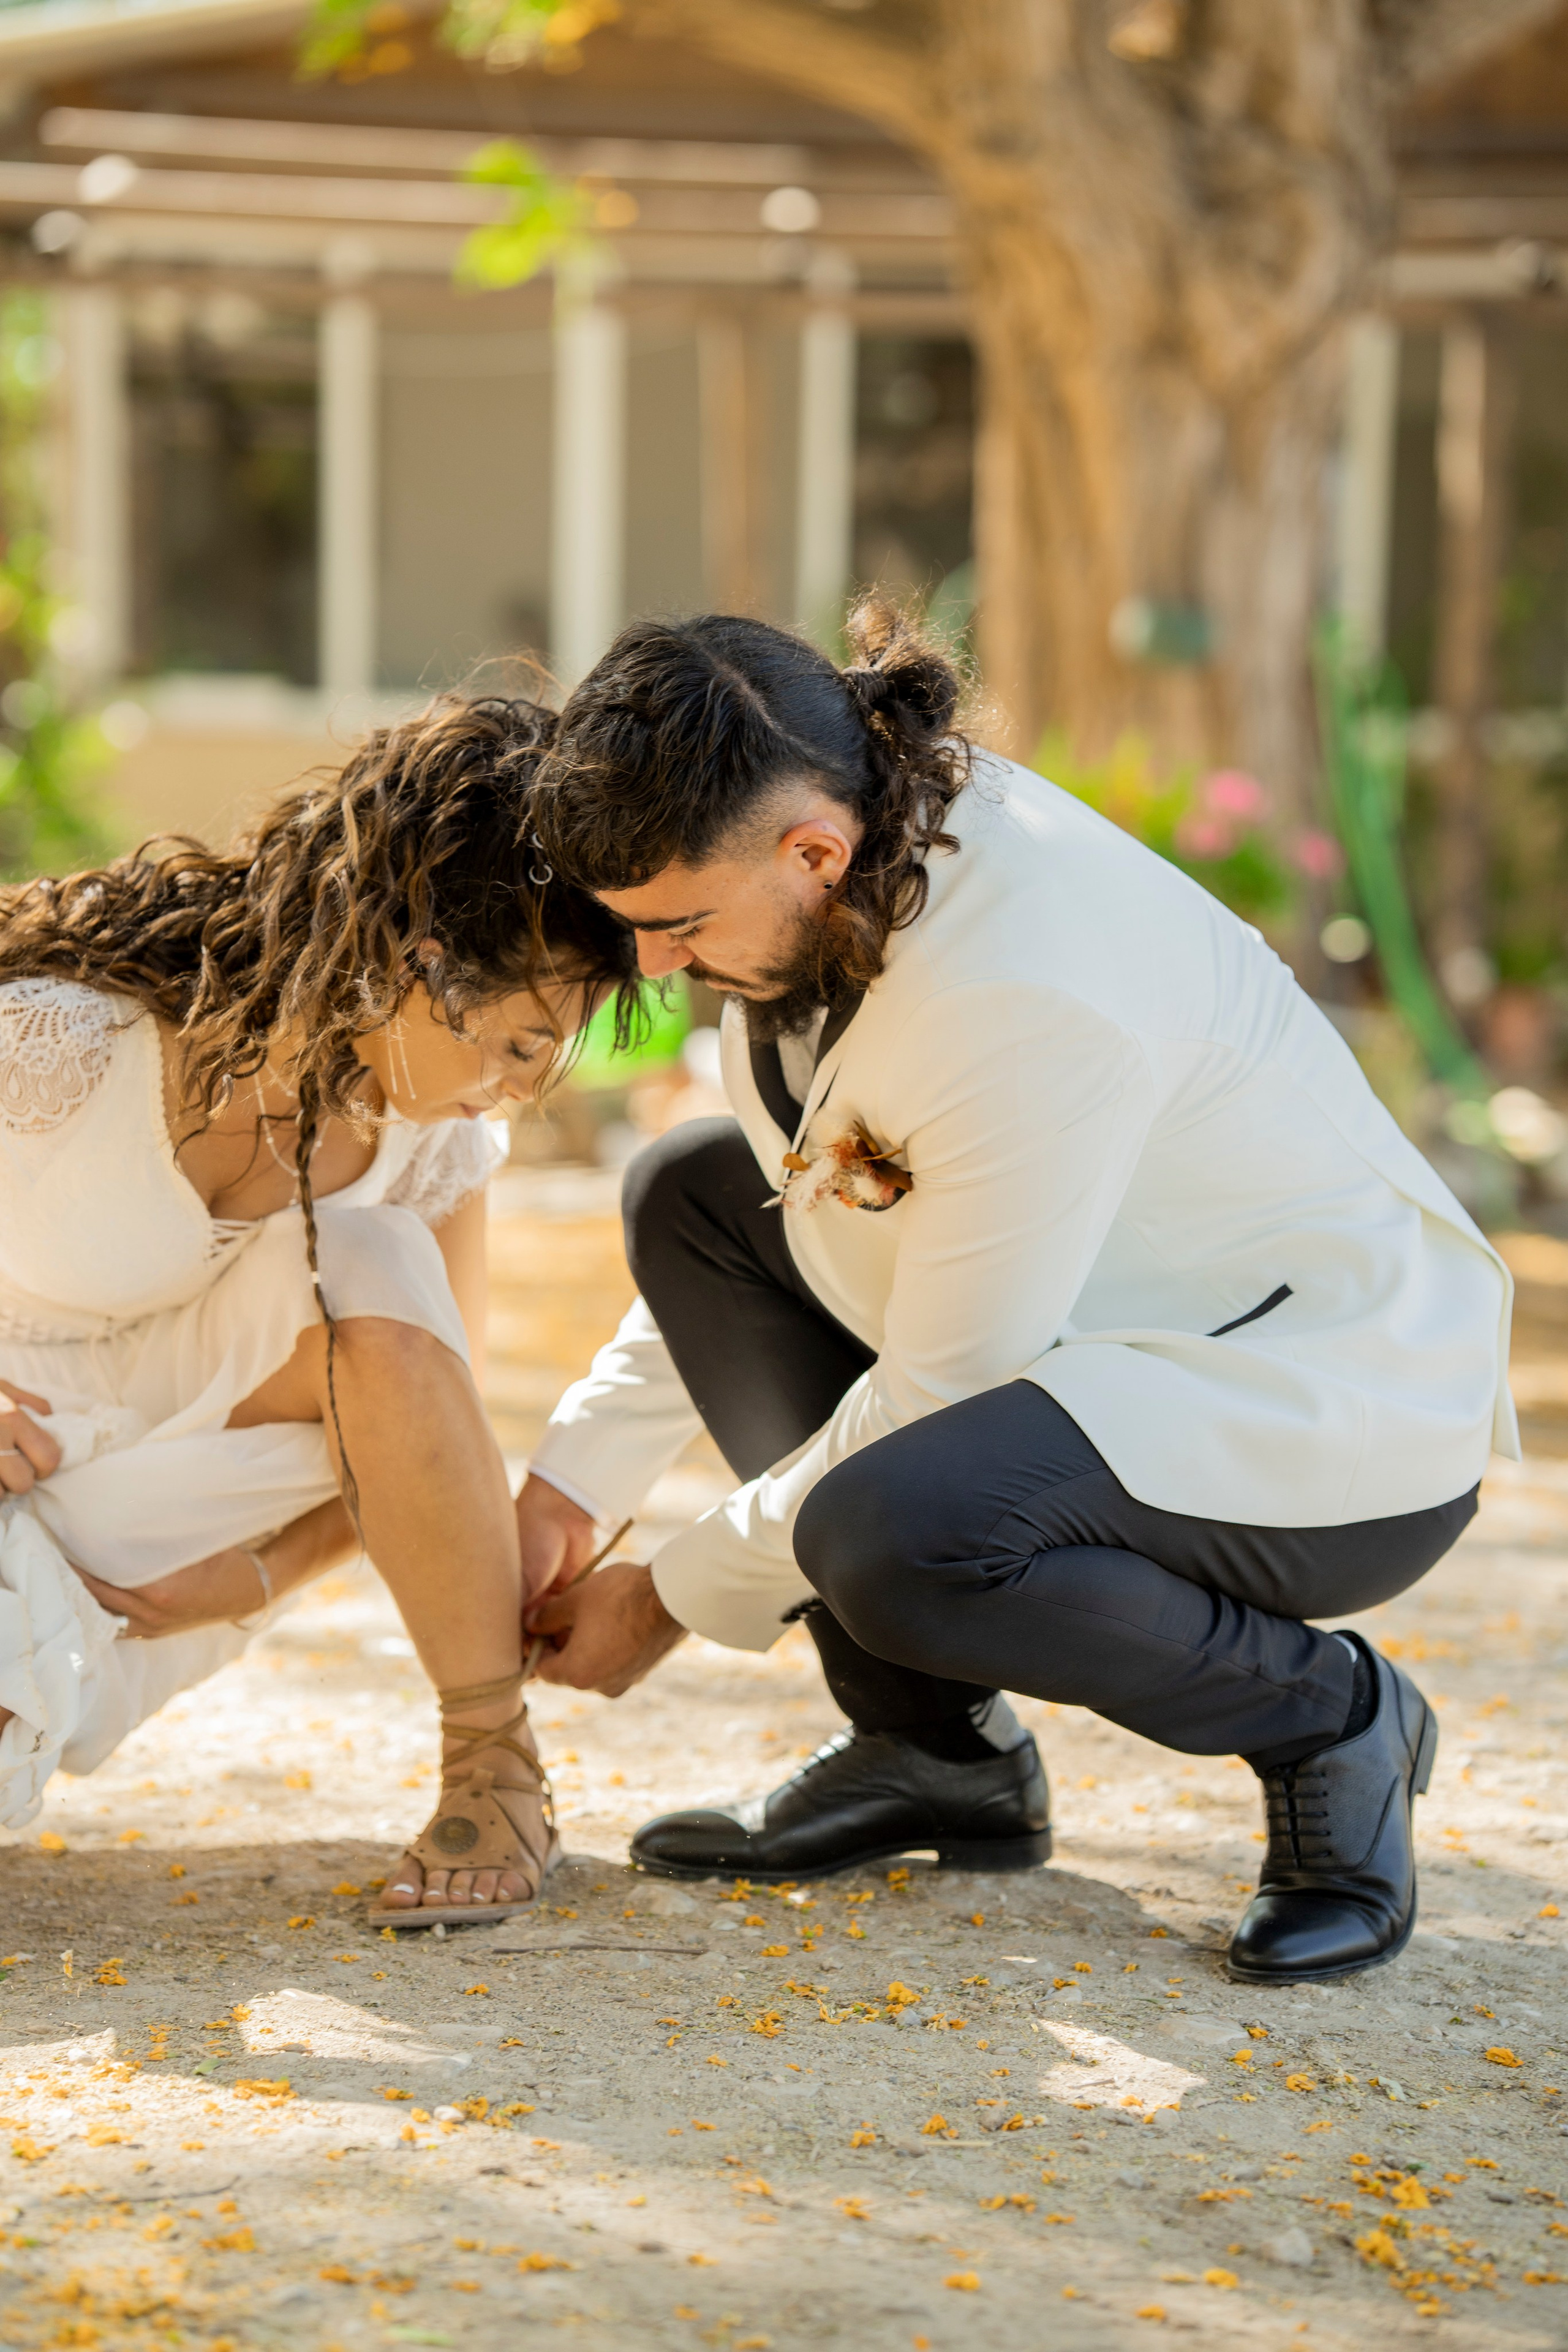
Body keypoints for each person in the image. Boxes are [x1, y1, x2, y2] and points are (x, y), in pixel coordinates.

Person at [513, 601, 1515, 1985]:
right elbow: (800, 1201)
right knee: (692, 1195)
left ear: (813, 850)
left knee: (900, 1533)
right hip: (1098, 1332)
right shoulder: (832, 849)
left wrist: (668, 1595)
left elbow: (941, 1392)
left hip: (1321, 1399)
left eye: (676, 925)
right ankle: (936, 1755)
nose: (654, 966)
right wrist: (572, 1487)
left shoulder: (1025, 980)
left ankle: (1333, 1722)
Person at [0, 694, 636, 1924]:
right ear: (414, 965)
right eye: (519, 1046)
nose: (517, 1093)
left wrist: (260, 1575)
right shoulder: (56, 1047)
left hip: (169, 1521)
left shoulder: (431, 1149)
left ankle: (493, 1760)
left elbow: (427, 1445)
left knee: (369, 1249)